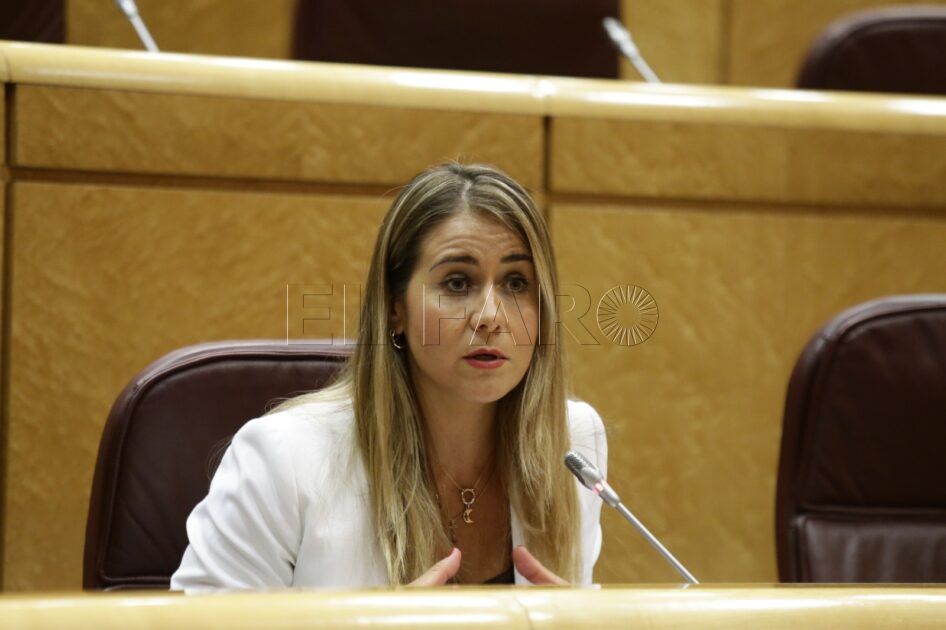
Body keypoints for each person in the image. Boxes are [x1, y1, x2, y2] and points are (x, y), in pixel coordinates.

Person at [170, 163, 607, 591]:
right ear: (395, 308)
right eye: (457, 283)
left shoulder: (571, 443)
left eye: (516, 283)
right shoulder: (285, 458)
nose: (491, 317)